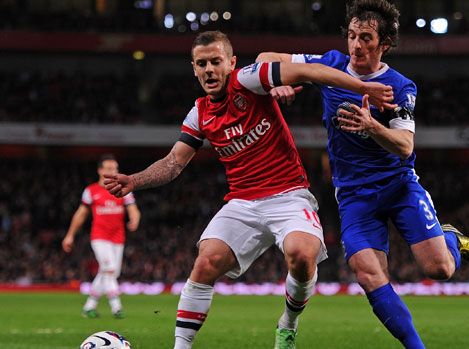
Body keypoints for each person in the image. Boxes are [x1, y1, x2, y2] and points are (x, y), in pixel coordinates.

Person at [103, 31, 395, 349]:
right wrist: (135, 181)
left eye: (216, 61)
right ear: (194, 68)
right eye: (202, 64)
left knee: (301, 255)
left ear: (231, 63)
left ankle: (288, 324)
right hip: (242, 201)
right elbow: (174, 163)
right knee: (206, 262)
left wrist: (362, 87)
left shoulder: (248, 80)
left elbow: (309, 71)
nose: (209, 70)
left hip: (288, 194)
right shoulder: (200, 112)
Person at [256, 1, 469, 347]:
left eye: (366, 37)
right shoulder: (330, 65)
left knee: (439, 269)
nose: (356, 45)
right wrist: (279, 83)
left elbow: (405, 146)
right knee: (367, 274)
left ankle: (451, 237)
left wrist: (372, 126)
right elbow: (263, 58)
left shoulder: (399, 86)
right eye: (351, 35)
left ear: (384, 44)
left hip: (399, 187)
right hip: (353, 197)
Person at [62, 154, 141, 319]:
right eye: (109, 168)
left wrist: (135, 218)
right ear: (100, 171)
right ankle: (116, 307)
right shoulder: (91, 191)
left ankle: (89, 307)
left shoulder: (122, 189)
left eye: (115, 169)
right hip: (99, 237)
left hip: (118, 237)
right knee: (109, 269)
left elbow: (133, 208)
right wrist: (70, 235)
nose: (113, 171)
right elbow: (81, 214)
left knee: (109, 272)